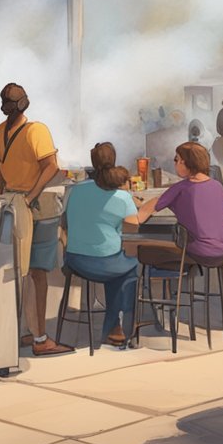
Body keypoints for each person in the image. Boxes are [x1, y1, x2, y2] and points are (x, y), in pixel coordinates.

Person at [0, 83, 69, 356]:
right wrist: (31, 194)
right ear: (24, 103)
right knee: (38, 273)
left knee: (18, 269)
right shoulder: (37, 130)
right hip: (39, 209)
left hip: (10, 205)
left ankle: (22, 330)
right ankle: (40, 338)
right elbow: (52, 166)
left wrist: (8, 194)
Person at [62, 142, 138, 348]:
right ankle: (117, 328)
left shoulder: (75, 190)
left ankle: (113, 327)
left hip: (75, 260)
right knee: (128, 266)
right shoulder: (123, 196)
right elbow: (134, 225)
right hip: (106, 263)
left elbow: (64, 224)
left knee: (116, 265)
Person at [131, 142, 223, 268]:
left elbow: (142, 215)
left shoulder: (181, 188)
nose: (175, 164)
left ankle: (169, 285)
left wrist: (136, 207)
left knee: (145, 249)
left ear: (185, 162)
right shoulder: (217, 186)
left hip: (199, 252)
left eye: (176, 160)